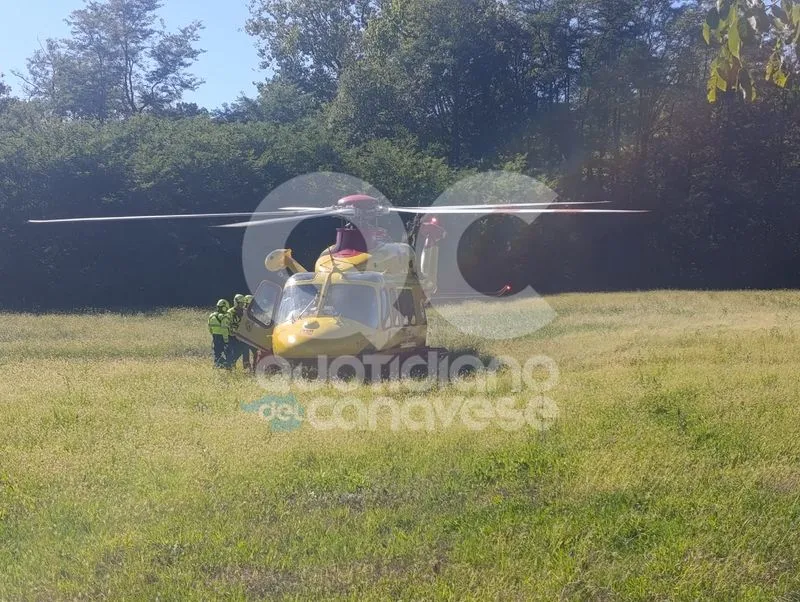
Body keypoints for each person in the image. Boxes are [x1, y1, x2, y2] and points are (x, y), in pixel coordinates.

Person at [227, 294, 252, 371]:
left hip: (243, 336)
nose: (241, 305)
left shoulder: (245, 312)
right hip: (232, 336)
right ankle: (230, 366)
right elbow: (227, 324)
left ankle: (246, 367)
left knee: (245, 350)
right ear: (236, 302)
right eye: (240, 303)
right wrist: (234, 332)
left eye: (242, 303)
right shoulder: (230, 312)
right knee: (235, 352)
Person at [208, 299, 231, 368]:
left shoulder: (211, 316)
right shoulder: (223, 317)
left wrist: (213, 334)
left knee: (217, 352)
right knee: (227, 353)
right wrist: (226, 340)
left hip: (215, 337)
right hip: (222, 337)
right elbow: (225, 329)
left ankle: (216, 365)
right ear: (224, 307)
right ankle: (227, 366)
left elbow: (209, 328)